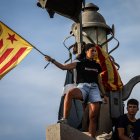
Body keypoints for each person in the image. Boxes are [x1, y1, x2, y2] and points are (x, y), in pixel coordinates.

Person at [45, 43, 107, 138]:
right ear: (86, 51)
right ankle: (65, 119)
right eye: (92, 51)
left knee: (93, 116)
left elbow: (99, 81)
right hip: (83, 87)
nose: (94, 52)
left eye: (95, 51)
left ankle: (92, 137)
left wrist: (104, 94)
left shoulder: (97, 66)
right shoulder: (79, 63)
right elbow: (63, 67)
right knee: (70, 93)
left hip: (94, 89)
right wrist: (51, 60)